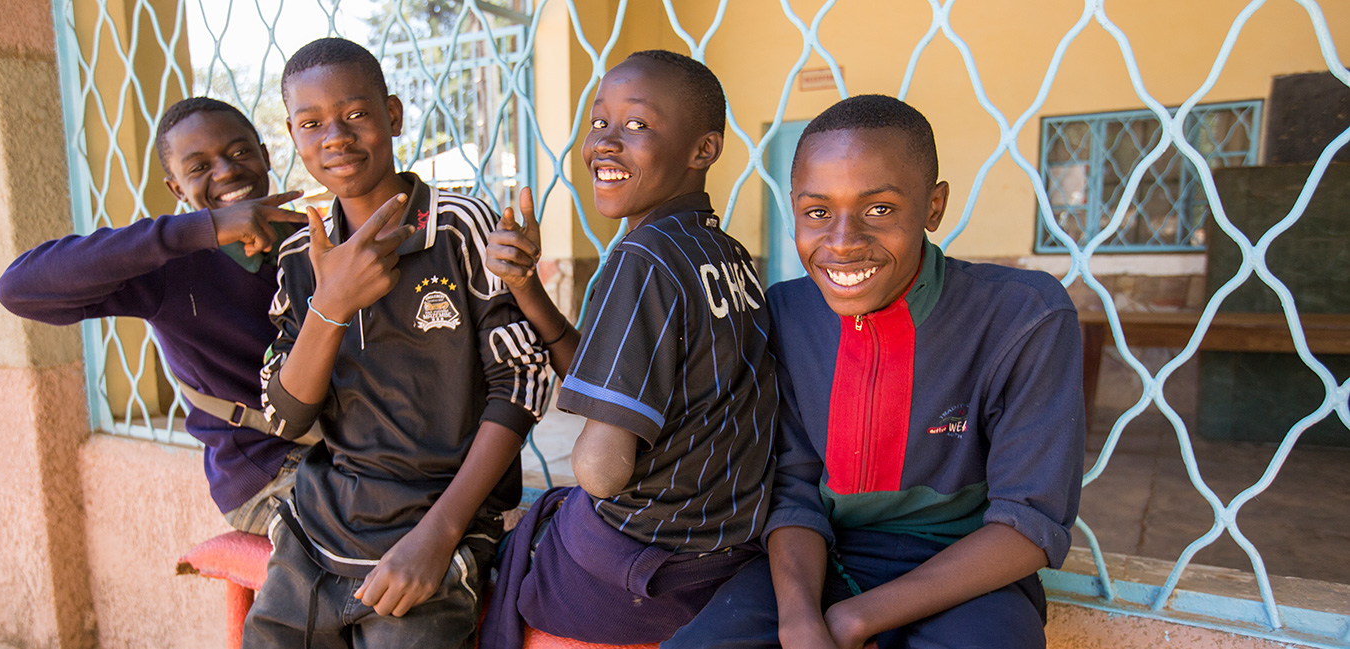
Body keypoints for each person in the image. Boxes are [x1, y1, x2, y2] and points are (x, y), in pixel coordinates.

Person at [666, 94, 1086, 649]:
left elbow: (1030, 522)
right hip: (822, 559)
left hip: (968, 573)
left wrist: (853, 619)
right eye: (818, 212)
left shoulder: (1021, 316)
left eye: (879, 209)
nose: (842, 242)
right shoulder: (786, 314)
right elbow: (793, 491)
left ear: (933, 207)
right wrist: (798, 621)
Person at [239, 37, 553, 648]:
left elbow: (522, 383)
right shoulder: (302, 255)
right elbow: (285, 413)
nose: (336, 136)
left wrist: (439, 536)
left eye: (356, 114)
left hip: (444, 521)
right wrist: (328, 307)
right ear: (292, 135)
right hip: (321, 525)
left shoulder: (461, 227)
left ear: (394, 115)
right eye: (312, 123)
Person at [479, 50, 778, 649]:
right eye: (598, 123)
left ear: (704, 150)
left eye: (637, 125)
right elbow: (609, 370)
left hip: (649, 576)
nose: (605, 143)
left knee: (506, 558)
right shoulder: (724, 253)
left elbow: (600, 470)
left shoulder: (642, 259)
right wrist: (526, 288)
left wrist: (595, 435)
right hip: (726, 557)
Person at [0, 97, 311, 535]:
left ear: (265, 154)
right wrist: (202, 230)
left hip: (349, 449)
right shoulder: (169, 267)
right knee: (373, 543)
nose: (225, 171)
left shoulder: (314, 239)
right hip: (266, 470)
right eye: (199, 167)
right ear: (177, 188)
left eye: (239, 153)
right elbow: (18, 289)